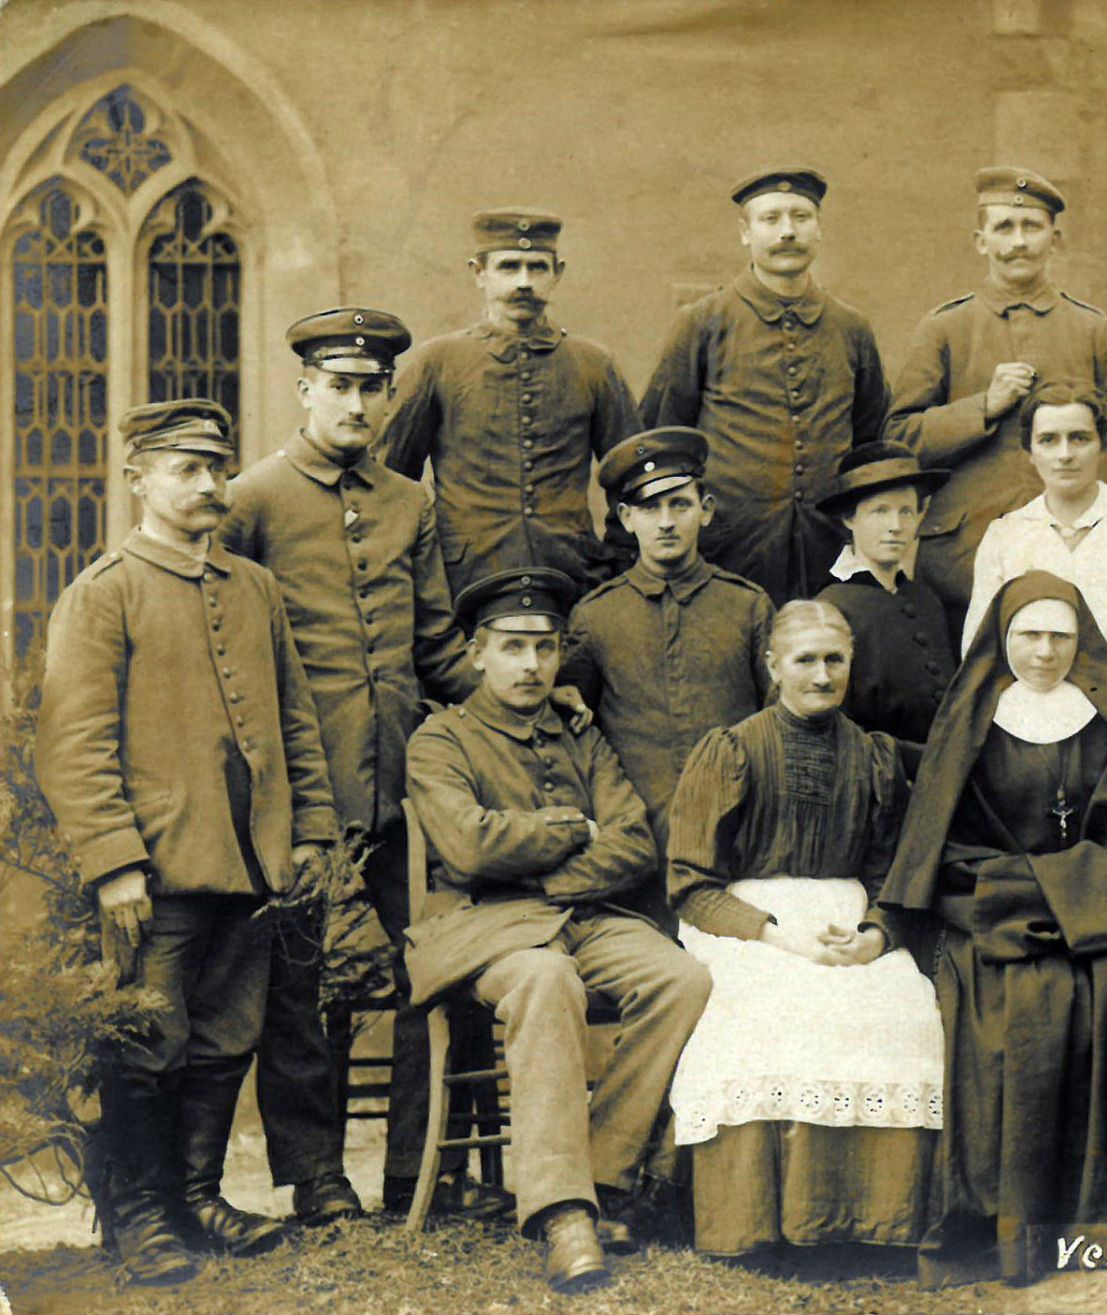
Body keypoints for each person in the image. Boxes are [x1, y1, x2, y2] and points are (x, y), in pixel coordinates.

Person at [36, 399, 340, 1284]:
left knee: (224, 1037)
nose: (209, 485)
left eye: (217, 467)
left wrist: (310, 832)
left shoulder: (255, 589)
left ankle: (197, 1195)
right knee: (146, 1038)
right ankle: (141, 1214)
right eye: (186, 469)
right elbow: (72, 745)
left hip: (252, 866)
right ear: (139, 479)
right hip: (157, 869)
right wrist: (115, 863)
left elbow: (295, 722)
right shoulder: (103, 592)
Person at [878, 572, 1107, 1287]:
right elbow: (947, 848)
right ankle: (1020, 1221)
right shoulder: (971, 721)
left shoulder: (1104, 717)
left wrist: (1068, 895)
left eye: (1061, 635)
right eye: (1030, 634)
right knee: (1022, 1002)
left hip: (1098, 912)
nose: (1046, 651)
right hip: (999, 915)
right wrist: (1050, 895)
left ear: (1081, 640)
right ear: (1002, 638)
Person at [220, 309, 472, 1221]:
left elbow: (438, 645)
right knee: (295, 985)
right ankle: (316, 1177)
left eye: (372, 387)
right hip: (296, 791)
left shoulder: (411, 501)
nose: (357, 402)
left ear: (388, 395)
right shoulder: (251, 499)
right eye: (340, 385)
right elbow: (229, 649)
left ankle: (416, 1170)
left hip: (402, 784)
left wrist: (523, 692)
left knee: (428, 970)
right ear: (306, 390)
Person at [404, 567, 711, 1294]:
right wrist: (570, 827)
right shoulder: (441, 739)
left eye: (544, 647)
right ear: (477, 653)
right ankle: (564, 1212)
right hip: (483, 929)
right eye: (512, 647)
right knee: (545, 979)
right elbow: (470, 847)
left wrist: (542, 873)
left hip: (579, 914)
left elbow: (634, 840)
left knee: (684, 978)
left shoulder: (578, 733)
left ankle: (606, 1171)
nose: (531, 664)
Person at [664, 601, 944, 1256]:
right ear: (773, 665)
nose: (822, 676)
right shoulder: (731, 749)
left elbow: (893, 879)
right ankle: (757, 1226)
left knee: (901, 1001)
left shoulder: (875, 759)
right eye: (805, 660)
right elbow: (689, 884)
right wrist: (775, 933)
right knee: (771, 1002)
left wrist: (875, 935)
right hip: (746, 924)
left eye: (835, 660)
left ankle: (872, 1222)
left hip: (847, 921)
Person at [884, 167, 1107, 631]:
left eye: (1031, 227)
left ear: (1055, 239)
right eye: (1004, 228)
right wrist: (983, 407)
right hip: (963, 560)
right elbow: (899, 441)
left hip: (1075, 559)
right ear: (981, 241)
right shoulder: (944, 328)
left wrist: (1099, 515)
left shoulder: (1092, 329)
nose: (1018, 242)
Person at [638, 168, 891, 603]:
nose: (788, 232)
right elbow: (661, 440)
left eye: (801, 217)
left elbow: (870, 439)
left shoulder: (851, 328)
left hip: (827, 550)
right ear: (745, 232)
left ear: (820, 229)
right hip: (728, 549)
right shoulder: (703, 321)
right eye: (771, 219)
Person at [382, 208, 639, 598]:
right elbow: (391, 481)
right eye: (508, 267)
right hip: (464, 581)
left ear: (558, 274)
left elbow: (632, 475)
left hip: (570, 577)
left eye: (536, 268)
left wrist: (615, 564)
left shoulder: (593, 365)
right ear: (478, 273)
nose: (523, 282)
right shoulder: (437, 363)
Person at [561, 427, 774, 862]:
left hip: (738, 834)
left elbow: (777, 727)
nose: (665, 522)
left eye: (680, 504)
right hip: (639, 841)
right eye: (649, 507)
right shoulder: (596, 616)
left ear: (706, 509)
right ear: (626, 518)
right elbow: (574, 732)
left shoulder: (748, 606)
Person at [961, 383, 1107, 758]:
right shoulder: (1006, 535)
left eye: (1079, 438)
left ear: (1102, 444)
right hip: (1026, 732)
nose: (1065, 454)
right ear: (1029, 451)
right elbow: (980, 645)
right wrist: (1033, 714)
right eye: (1048, 440)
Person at [813, 441, 957, 750]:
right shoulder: (832, 608)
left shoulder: (926, 599)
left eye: (906, 511)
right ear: (850, 519)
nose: (895, 526)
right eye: (880, 511)